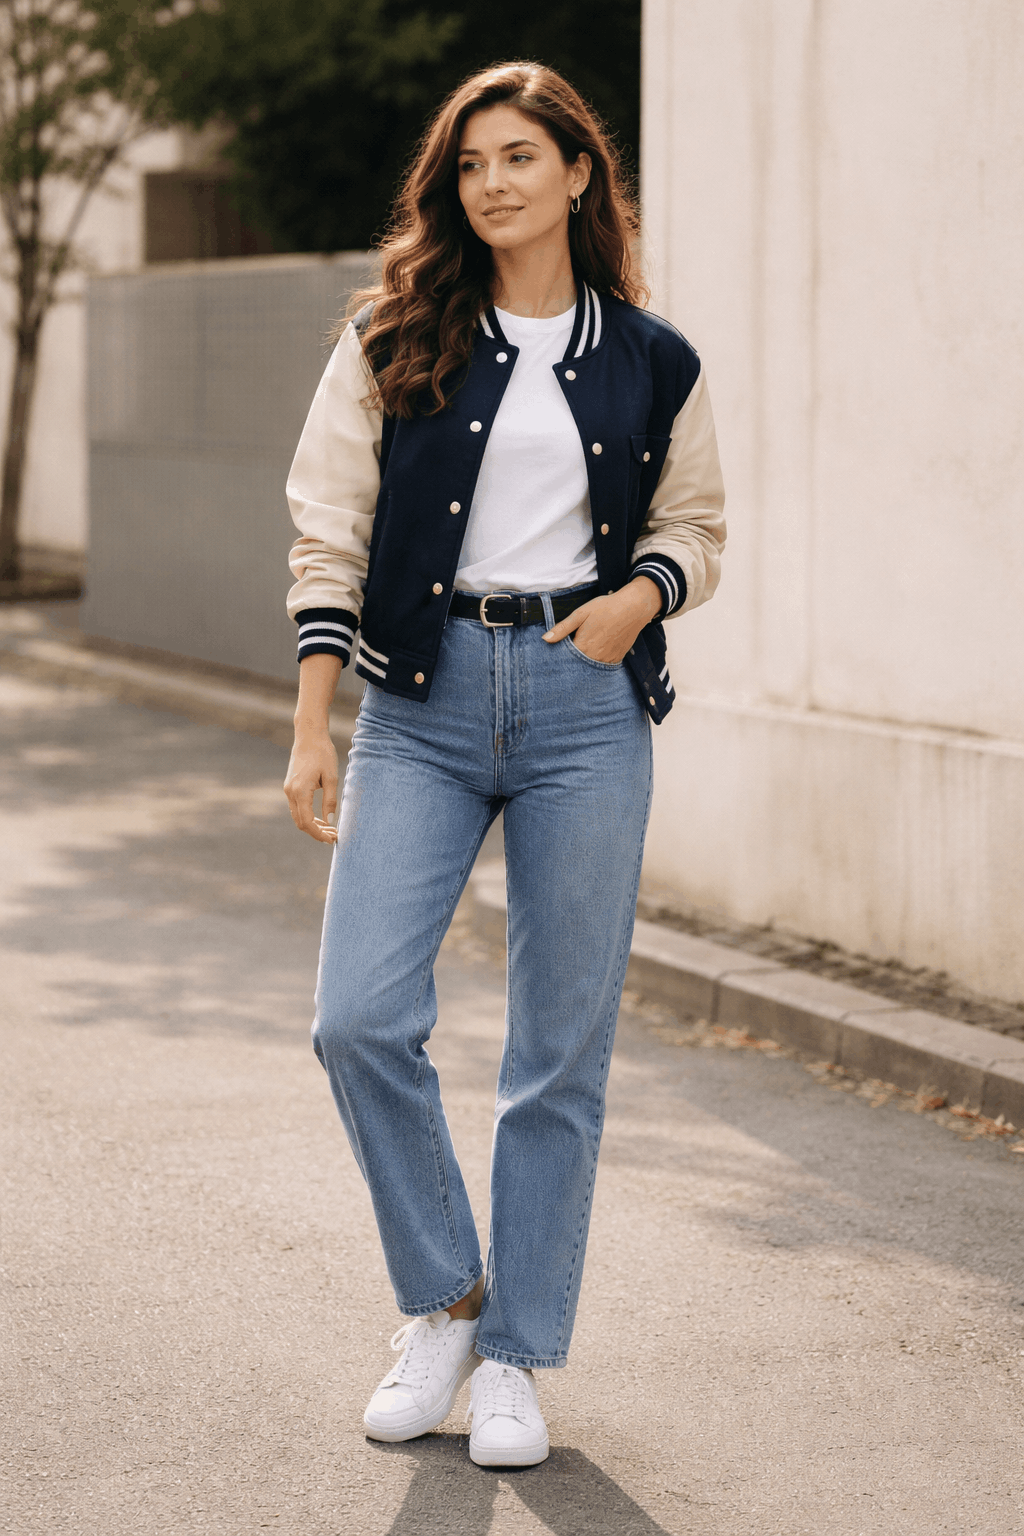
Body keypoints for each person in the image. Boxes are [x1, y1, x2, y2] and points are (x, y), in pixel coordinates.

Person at [282, 61, 725, 1468]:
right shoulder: (390, 335)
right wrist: (311, 718)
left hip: (587, 702)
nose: (493, 183)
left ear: (579, 174)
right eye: (471, 162)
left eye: (521, 156)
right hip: (418, 699)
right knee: (357, 1017)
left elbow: (699, 522)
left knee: (557, 1054)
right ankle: (449, 1301)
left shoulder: (654, 358)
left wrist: (639, 599)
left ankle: (521, 1354)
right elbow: (326, 530)